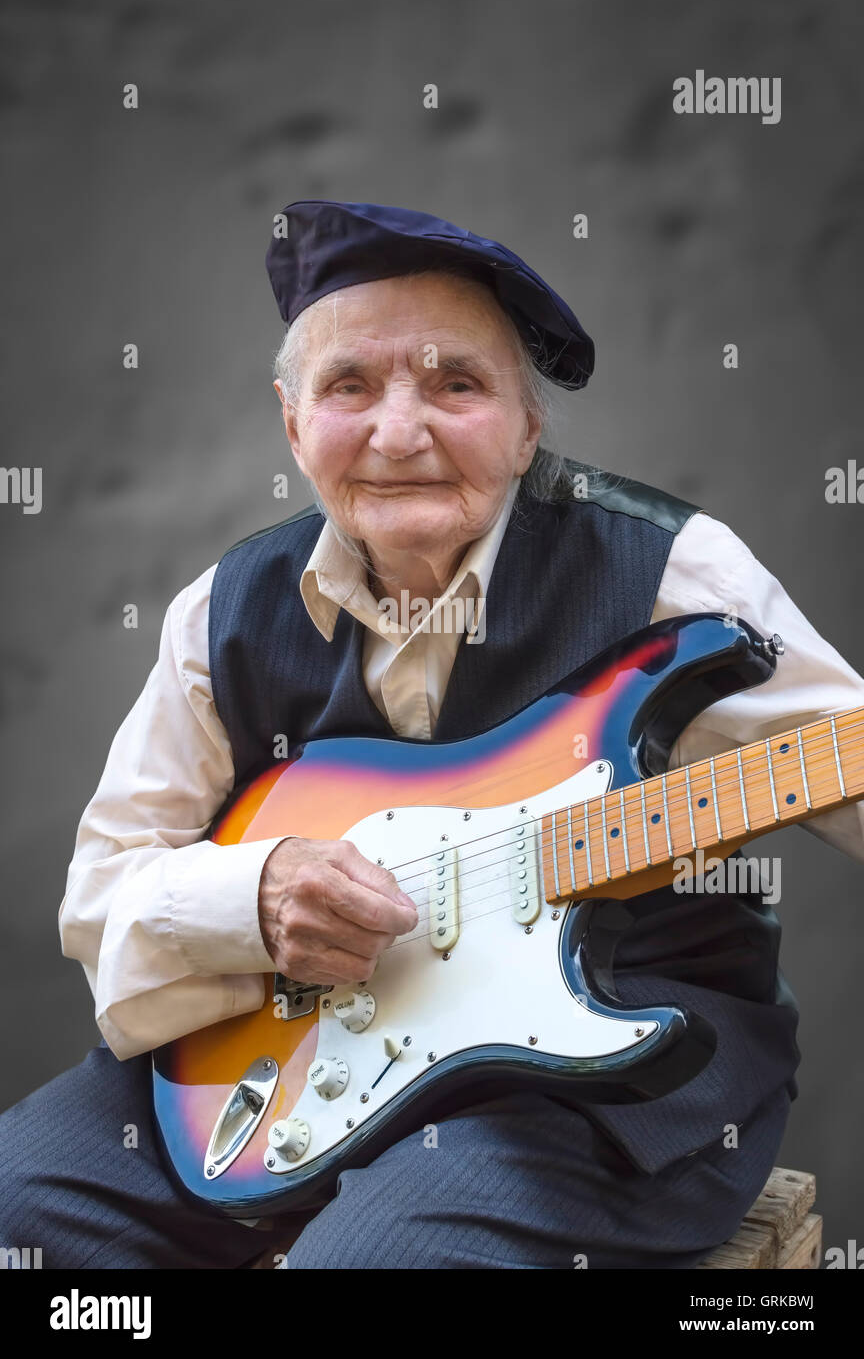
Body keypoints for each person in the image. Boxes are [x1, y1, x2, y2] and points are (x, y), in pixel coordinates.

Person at [2, 201, 863, 1270]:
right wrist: (252, 897)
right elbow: (102, 892)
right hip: (283, 1051)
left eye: (456, 382)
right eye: (349, 385)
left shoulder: (675, 572)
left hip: (601, 1084)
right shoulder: (217, 614)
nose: (398, 432)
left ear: (527, 424)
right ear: (292, 422)